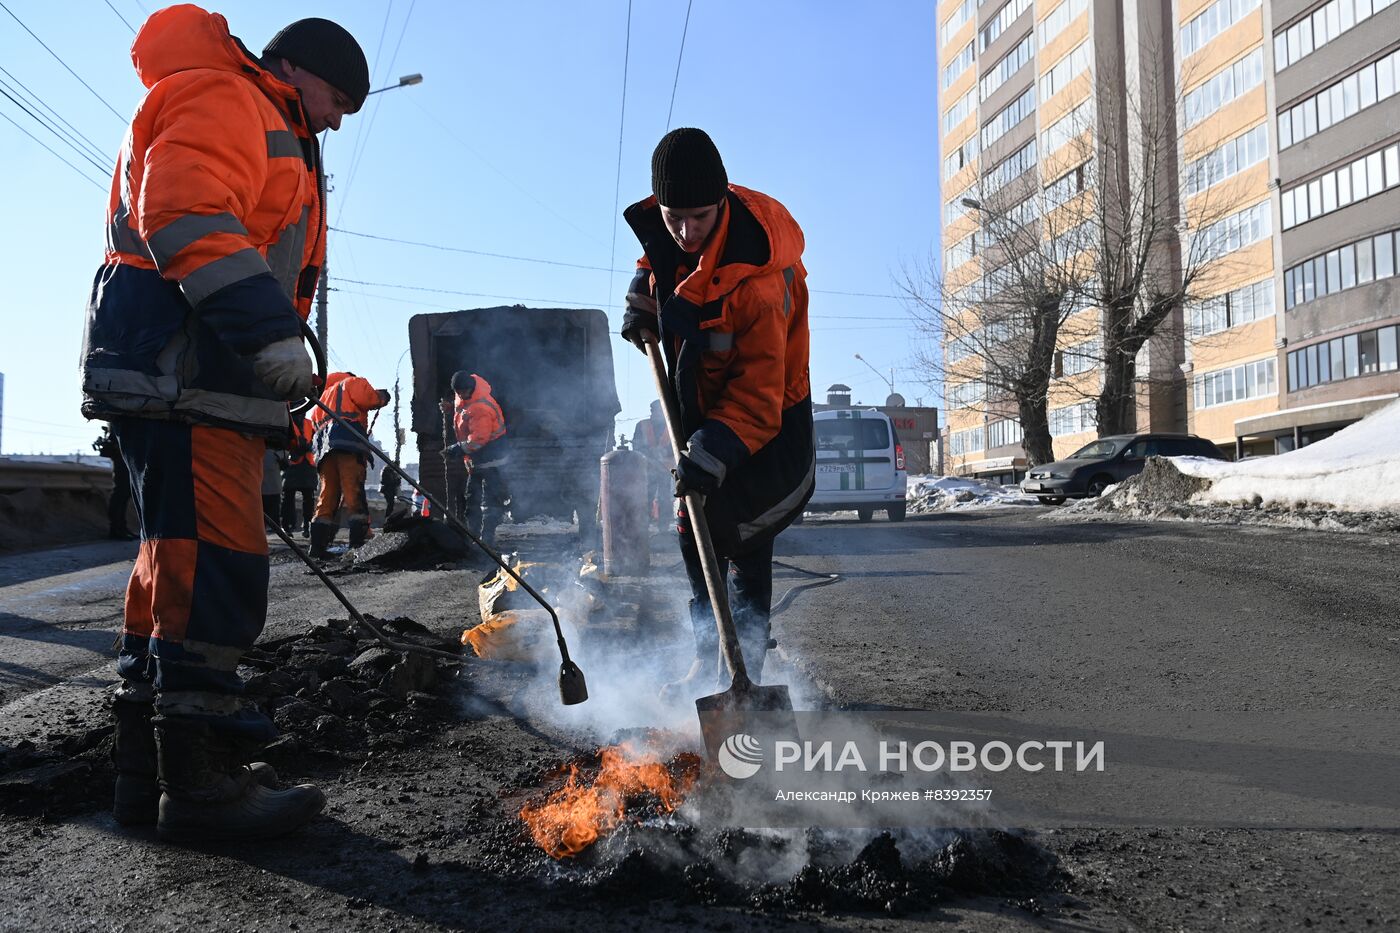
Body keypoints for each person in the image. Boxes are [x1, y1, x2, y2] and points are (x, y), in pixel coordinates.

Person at [77, 5, 369, 841]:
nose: (337, 120)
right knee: (216, 570)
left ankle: (151, 780)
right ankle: (203, 791)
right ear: (301, 74)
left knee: (169, 573)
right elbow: (186, 212)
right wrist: (268, 330)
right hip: (190, 377)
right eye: (338, 100)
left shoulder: (243, 105)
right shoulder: (230, 98)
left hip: (187, 380)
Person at [621, 128, 814, 692]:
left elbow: (758, 394)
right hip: (704, 406)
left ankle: (746, 665)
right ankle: (709, 656)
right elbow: (657, 254)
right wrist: (642, 297)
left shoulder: (758, 280)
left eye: (699, 217)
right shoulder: (675, 229)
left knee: (742, 539)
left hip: (767, 420)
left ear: (723, 199)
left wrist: (714, 451)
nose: (684, 231)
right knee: (692, 527)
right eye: (672, 215)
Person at [308, 371, 389, 556]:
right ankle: (357, 548)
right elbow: (370, 399)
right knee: (354, 494)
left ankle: (317, 548)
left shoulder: (323, 397)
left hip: (325, 451)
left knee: (327, 497)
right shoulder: (352, 382)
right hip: (348, 443)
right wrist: (383, 396)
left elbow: (314, 425)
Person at [444, 371, 511, 549]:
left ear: (470, 389)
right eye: (457, 392)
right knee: (472, 498)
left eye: (462, 392)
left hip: (492, 459)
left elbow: (479, 439)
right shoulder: (464, 396)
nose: (460, 395)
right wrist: (451, 408)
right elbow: (463, 411)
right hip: (477, 461)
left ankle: (486, 539)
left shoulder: (481, 408)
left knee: (490, 502)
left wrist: (457, 449)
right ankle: (472, 537)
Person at [631, 400, 672, 525]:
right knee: (645, 497)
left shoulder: (671, 427)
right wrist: (650, 455)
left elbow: (675, 449)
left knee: (665, 498)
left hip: (665, 469)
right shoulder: (642, 425)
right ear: (652, 411)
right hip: (647, 469)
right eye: (656, 411)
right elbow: (637, 447)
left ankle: (663, 527)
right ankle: (643, 526)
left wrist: (663, 454)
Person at [93, 424, 136, 540]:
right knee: (121, 492)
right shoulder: (120, 417)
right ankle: (116, 528)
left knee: (125, 493)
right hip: (120, 453)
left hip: (125, 452)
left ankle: (121, 527)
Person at [281, 414, 318, 536]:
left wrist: (309, 447)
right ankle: (287, 526)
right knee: (288, 497)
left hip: (307, 463)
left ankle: (307, 525)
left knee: (308, 498)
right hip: (293, 463)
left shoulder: (309, 423)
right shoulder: (287, 421)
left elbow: (316, 439)